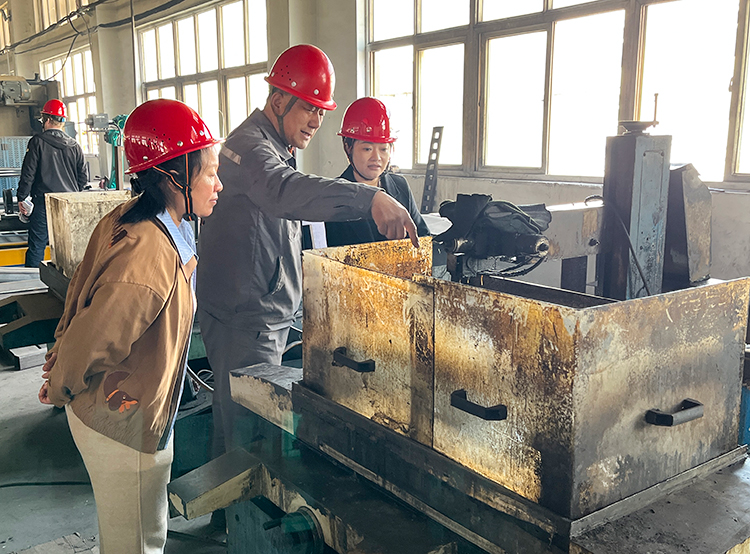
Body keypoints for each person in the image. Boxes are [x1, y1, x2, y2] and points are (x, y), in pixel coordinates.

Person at [196, 44, 418, 486]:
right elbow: (284, 190)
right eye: (308, 109)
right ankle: (239, 517)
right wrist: (370, 198)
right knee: (248, 428)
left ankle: (232, 514)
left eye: (321, 112)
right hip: (247, 316)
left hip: (261, 308)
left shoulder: (274, 145)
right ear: (278, 100)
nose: (316, 121)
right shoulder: (250, 148)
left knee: (241, 418)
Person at [38, 98, 222, 554]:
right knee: (136, 544)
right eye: (210, 173)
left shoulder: (139, 219)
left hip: (129, 408)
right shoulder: (148, 254)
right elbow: (95, 336)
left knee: (134, 537)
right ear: (174, 176)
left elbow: (78, 294)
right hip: (121, 426)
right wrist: (60, 383)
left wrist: (59, 354)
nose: (219, 184)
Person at [325, 97, 430, 246]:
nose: (376, 157)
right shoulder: (335, 195)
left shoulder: (400, 185)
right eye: (367, 149)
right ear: (348, 147)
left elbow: (423, 238)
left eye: (383, 149)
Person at [17, 99, 88, 267]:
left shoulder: (37, 142)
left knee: (37, 246)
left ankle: (33, 280)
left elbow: (28, 173)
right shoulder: (75, 146)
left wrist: (22, 197)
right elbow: (83, 178)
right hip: (68, 204)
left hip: (44, 203)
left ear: (47, 119)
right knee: (67, 246)